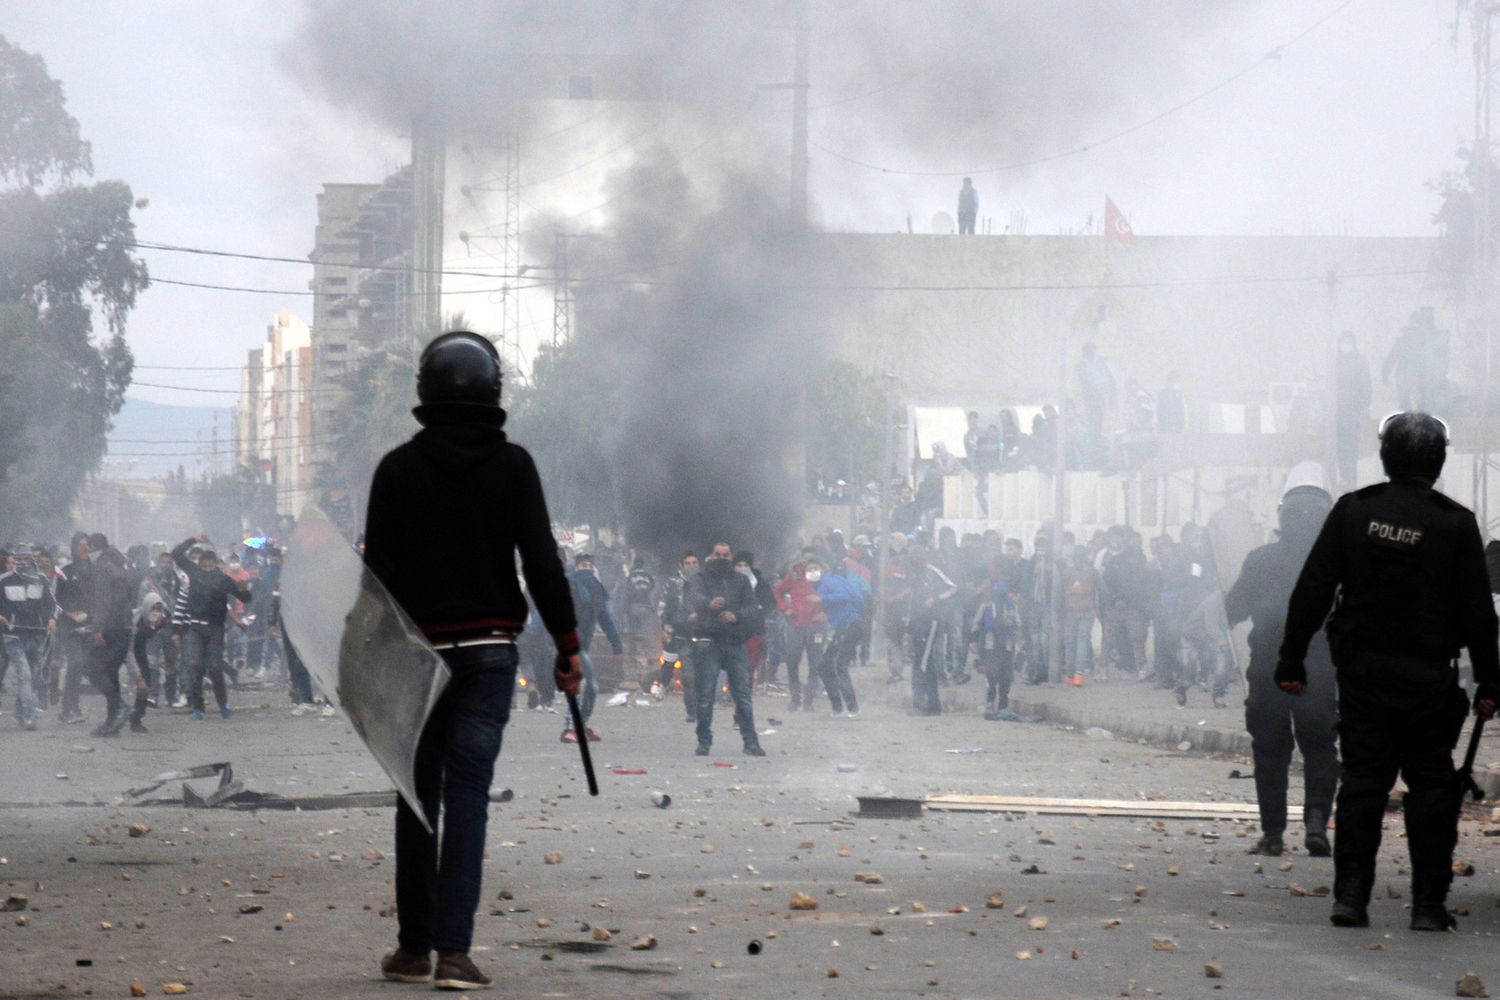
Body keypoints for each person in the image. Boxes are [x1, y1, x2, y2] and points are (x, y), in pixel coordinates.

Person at [363, 331, 582, 990]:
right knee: (468, 799)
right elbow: (542, 562)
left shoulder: (395, 471)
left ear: (425, 392)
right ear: (494, 392)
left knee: (416, 800)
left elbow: (375, 579)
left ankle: (412, 949)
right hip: (489, 655)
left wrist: (364, 666)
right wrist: (568, 648)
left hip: (416, 658)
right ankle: (454, 955)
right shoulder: (514, 466)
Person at [1279, 412, 1499, 932]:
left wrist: (1291, 659)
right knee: (1431, 789)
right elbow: (1477, 613)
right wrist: (1491, 682)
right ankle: (1427, 904)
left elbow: (1313, 589)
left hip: (1364, 677)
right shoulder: (1454, 522)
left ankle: (1351, 897)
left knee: (1361, 786)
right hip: (1428, 681)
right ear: (1438, 461)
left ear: (1385, 456)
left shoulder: (1354, 511)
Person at [1225, 475, 1339, 859]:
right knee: (1320, 747)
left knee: (1271, 750)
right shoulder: (1341, 565)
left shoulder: (1260, 559)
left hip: (1268, 669)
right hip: (1320, 670)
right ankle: (1316, 822)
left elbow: (1233, 610)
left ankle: (1273, 833)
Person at [687, 542, 766, 757]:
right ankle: (704, 742)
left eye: (725, 555)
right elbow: (694, 597)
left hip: (734, 641)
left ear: (730, 557)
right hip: (709, 641)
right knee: (705, 696)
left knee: (742, 696)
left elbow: (752, 607)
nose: (721, 558)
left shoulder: (740, 581)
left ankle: (751, 743)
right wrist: (709, 604)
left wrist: (736, 615)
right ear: (711, 556)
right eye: (717, 554)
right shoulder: (700, 579)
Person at [171, 538, 253, 722]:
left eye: (211, 566)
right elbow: (176, 553)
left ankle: (223, 704)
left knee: (215, 667)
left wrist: (244, 589)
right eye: (205, 566)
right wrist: (193, 540)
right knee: (195, 666)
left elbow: (245, 598)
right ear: (199, 565)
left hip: (216, 629)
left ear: (216, 565)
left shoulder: (224, 580)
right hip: (195, 628)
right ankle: (198, 707)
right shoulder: (193, 573)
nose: (207, 569)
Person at [563, 553, 623, 744]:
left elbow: (605, 619)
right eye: (582, 565)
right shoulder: (568, 585)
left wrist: (617, 645)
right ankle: (569, 728)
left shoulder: (597, 589)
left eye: (589, 565)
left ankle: (580, 724)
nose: (586, 568)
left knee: (592, 687)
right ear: (576, 567)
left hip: (584, 644)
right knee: (584, 683)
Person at [0, 547, 56, 730]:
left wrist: (51, 619)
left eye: (27, 560)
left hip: (36, 634)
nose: (23, 564)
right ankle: (30, 716)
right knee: (24, 675)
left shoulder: (41, 580)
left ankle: (19, 711)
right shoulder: (4, 581)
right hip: (13, 635)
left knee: (31, 675)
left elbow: (50, 604)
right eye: (20, 560)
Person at [85, 534, 134, 738]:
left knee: (93, 668)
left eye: (89, 549)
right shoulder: (119, 564)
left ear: (95, 547)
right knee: (110, 672)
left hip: (111, 626)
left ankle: (119, 708)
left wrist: (97, 628)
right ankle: (111, 722)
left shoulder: (102, 567)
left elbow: (103, 599)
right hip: (124, 625)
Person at [904, 546, 958, 715]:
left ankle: (928, 705)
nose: (914, 561)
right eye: (912, 558)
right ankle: (924, 704)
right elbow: (912, 603)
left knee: (924, 663)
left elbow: (953, 588)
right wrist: (908, 629)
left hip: (931, 623)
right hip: (918, 624)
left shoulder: (932, 572)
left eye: (917, 557)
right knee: (921, 662)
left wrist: (935, 599)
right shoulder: (913, 575)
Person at [809, 559, 864, 718]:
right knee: (824, 665)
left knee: (838, 664)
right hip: (845, 626)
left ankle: (853, 709)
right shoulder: (823, 584)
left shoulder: (829, 581)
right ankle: (837, 708)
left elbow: (844, 596)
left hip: (850, 625)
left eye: (815, 568)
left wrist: (822, 600)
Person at [662, 552, 701, 724]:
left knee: (703, 674)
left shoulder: (705, 582)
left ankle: (702, 706)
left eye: (694, 562)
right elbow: (665, 607)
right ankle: (692, 711)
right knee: (688, 675)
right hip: (682, 634)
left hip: (704, 635)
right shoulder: (673, 584)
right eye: (688, 562)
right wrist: (666, 624)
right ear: (681, 565)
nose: (691, 565)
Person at [1334, 331, 1372, 491]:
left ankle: (1351, 477)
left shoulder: (1360, 362)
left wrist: (1363, 403)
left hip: (1352, 408)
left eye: (1348, 342)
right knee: (1340, 444)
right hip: (1338, 409)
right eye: (1343, 342)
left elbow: (1366, 384)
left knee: (1351, 444)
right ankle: (1343, 476)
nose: (1345, 346)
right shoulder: (1336, 361)